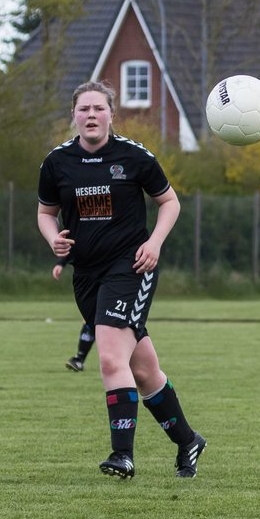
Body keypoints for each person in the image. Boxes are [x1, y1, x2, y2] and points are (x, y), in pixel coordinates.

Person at [37, 80, 206, 479]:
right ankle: (188, 440)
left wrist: (155, 243)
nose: (91, 115)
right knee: (144, 370)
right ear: (74, 115)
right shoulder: (56, 163)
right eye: (84, 109)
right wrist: (53, 240)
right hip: (87, 275)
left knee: (111, 357)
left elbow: (169, 202)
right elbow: (46, 213)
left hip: (131, 268)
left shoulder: (134, 157)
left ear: (112, 114)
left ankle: (122, 456)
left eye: (98, 108)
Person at [53, 257, 96, 371]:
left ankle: (80, 359)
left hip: (121, 278)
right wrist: (60, 263)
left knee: (117, 322)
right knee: (91, 319)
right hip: (93, 278)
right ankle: (79, 359)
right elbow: (74, 242)